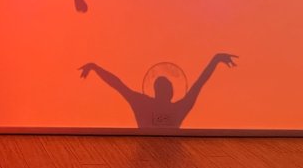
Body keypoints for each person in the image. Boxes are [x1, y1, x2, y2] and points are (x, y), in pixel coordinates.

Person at [78, 53, 238, 128]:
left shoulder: (141, 103)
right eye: (166, 88)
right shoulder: (179, 108)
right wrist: (215, 60)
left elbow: (118, 84)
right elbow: (199, 83)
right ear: (172, 92)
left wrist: (95, 67)